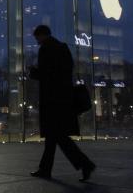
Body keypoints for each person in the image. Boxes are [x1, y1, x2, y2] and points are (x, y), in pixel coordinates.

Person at [28, 25, 95, 182]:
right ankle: (45, 169)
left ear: (42, 35)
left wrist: (33, 72)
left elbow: (47, 74)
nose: (36, 40)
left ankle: (85, 164)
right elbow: (63, 71)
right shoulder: (62, 48)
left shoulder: (46, 49)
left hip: (52, 101)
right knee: (54, 137)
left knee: (58, 137)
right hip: (62, 99)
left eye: (37, 37)